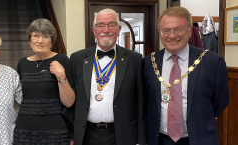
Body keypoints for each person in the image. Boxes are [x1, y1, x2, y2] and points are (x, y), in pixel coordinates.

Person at [143, 6, 229, 145]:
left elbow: (221, 101)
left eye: (178, 29)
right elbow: (145, 101)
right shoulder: (148, 62)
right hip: (159, 140)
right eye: (166, 30)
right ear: (160, 32)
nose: (172, 35)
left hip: (200, 139)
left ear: (190, 31)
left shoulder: (212, 62)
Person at [70, 8, 147, 145]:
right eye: (101, 25)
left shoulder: (135, 59)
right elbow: (72, 101)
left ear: (118, 29)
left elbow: (140, 102)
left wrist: (141, 140)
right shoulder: (77, 58)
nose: (106, 29)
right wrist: (71, 136)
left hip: (122, 135)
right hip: (86, 134)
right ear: (94, 30)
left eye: (111, 24)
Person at [13, 18, 75, 145]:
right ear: (30, 40)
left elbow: (69, 102)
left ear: (52, 41)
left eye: (45, 36)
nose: (40, 41)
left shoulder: (62, 60)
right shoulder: (22, 63)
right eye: (36, 35)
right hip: (25, 130)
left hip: (55, 131)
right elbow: (18, 96)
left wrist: (61, 76)